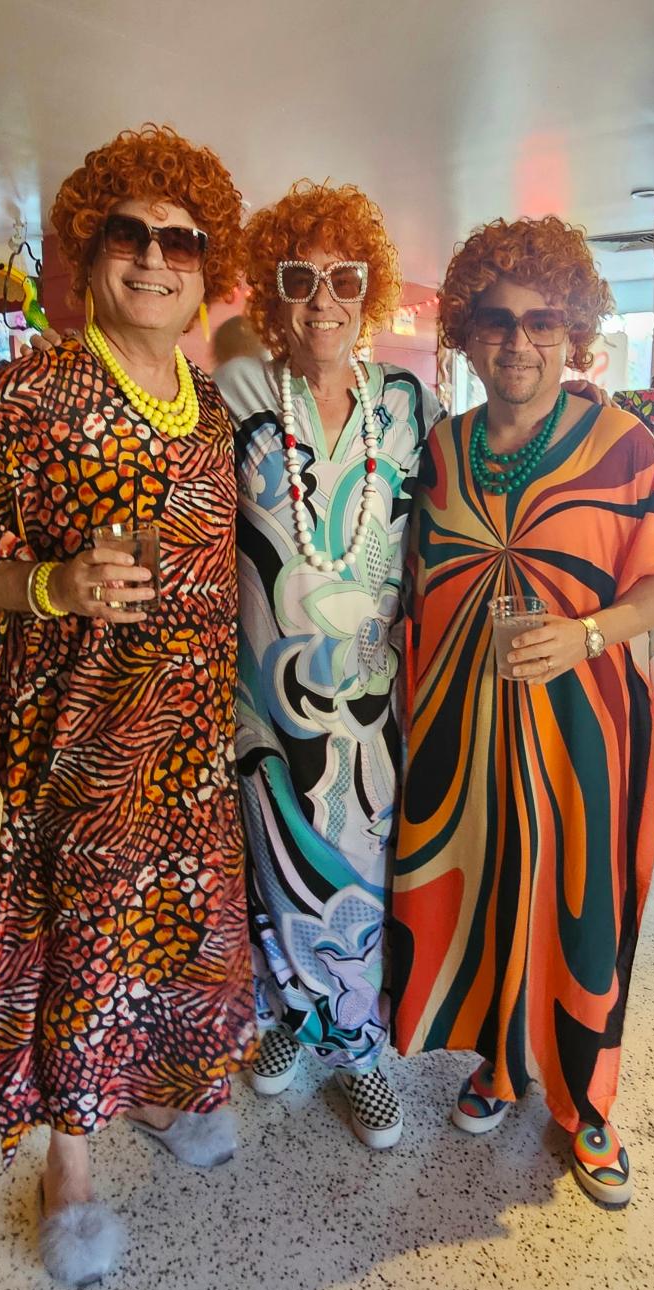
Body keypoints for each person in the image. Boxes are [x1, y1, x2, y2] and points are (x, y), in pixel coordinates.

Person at [0, 124, 255, 1288]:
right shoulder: (27, 393)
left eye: (182, 240)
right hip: (85, 743)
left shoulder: (210, 403)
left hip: (196, 739)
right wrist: (54, 584)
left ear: (205, 266)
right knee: (87, 946)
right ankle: (69, 1166)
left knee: (183, 928)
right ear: (88, 248)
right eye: (130, 233)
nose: (156, 258)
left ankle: (169, 1093)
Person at [391, 217, 654, 1206]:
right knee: (493, 894)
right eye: (496, 320)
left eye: (541, 322)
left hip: (582, 735)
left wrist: (589, 634)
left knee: (582, 911)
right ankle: (500, 1066)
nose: (518, 342)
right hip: (467, 733)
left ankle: (587, 1105)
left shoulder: (621, 446)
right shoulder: (443, 449)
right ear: (466, 332)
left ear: (572, 333)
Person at [216, 182, 442, 1149]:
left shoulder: (407, 404)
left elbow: (445, 534)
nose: (323, 299)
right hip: (263, 703)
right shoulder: (240, 394)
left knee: (358, 878)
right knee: (268, 873)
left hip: (366, 708)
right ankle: (286, 1021)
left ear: (370, 289)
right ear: (273, 293)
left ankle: (360, 1054)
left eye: (344, 277)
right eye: (298, 278)